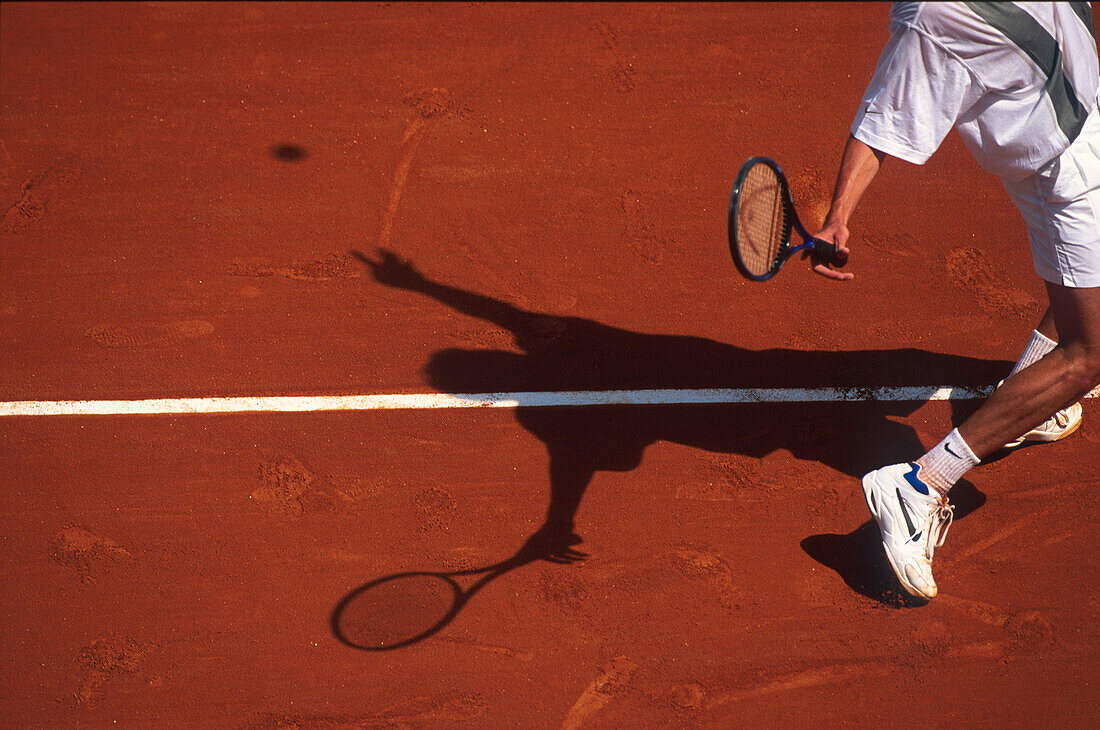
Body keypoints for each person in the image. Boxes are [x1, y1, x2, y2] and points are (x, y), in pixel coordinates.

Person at [811, 2, 1100, 600]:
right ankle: (917, 486)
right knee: (1091, 353)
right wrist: (839, 214)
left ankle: (1033, 396)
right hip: (1061, 172)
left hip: (1087, 117)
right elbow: (884, 118)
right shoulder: (934, 19)